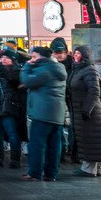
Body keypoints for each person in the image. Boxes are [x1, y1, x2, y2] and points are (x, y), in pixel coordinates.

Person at [21, 46, 67, 181]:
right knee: (54, 146)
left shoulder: (44, 70)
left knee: (37, 144)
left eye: (34, 56)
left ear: (42, 57)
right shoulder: (60, 68)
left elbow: (27, 81)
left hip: (42, 113)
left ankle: (34, 173)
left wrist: (26, 66)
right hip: (57, 113)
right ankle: (51, 174)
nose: (32, 59)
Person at [69, 46, 101, 177]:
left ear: (85, 56)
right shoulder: (77, 69)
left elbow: (94, 91)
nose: (76, 55)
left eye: (79, 53)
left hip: (89, 112)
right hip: (83, 110)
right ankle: (96, 168)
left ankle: (88, 168)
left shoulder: (89, 70)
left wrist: (86, 109)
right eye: (75, 53)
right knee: (94, 139)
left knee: (91, 139)